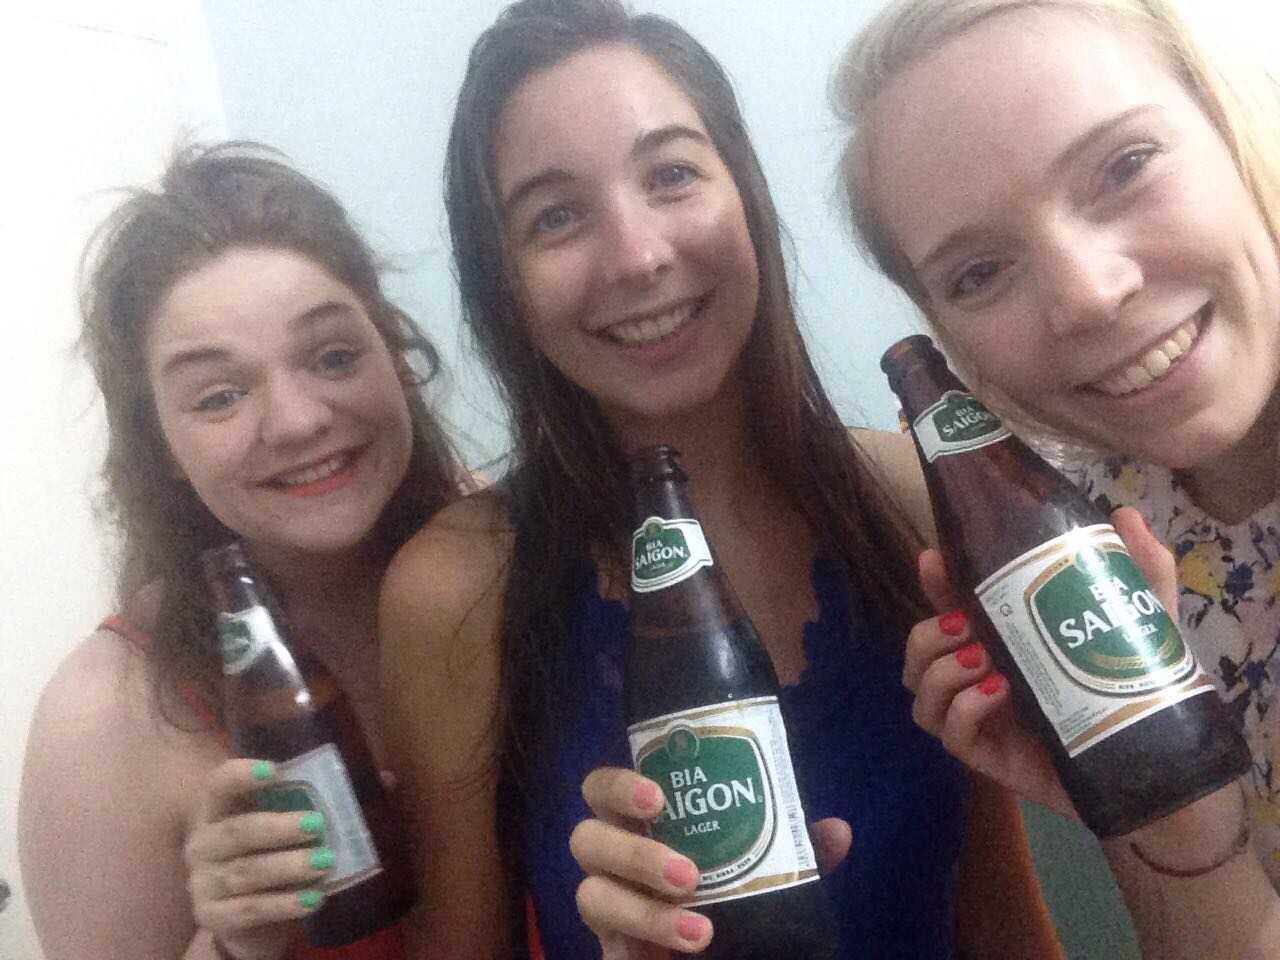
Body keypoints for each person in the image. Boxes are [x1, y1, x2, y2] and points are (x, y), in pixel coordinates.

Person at [378, 1, 1064, 957]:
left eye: (670, 174)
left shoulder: (914, 498)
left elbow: (1000, 919)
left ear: (744, 193)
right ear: (505, 281)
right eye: (556, 216)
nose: (638, 256)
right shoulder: (455, 591)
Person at [831, 0, 1280, 955]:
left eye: (1124, 166)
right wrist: (1174, 821)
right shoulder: (1106, 541)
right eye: (979, 272)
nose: (1087, 294)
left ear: (1232, 119)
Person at [17, 142, 464, 960]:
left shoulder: (511, 560)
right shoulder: (104, 716)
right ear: (160, 441)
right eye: (220, 395)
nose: (297, 421)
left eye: (333, 356)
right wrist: (235, 942)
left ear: (396, 353)